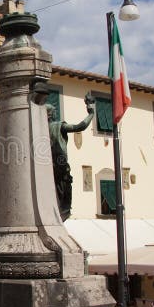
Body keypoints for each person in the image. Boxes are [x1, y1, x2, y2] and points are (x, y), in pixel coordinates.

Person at [46, 92, 95, 221]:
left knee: (54, 195)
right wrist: (91, 114)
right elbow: (80, 126)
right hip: (61, 166)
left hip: (48, 167)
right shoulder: (59, 126)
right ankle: (62, 214)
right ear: (51, 114)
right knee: (65, 197)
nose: (56, 114)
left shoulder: (41, 129)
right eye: (54, 112)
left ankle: (56, 215)